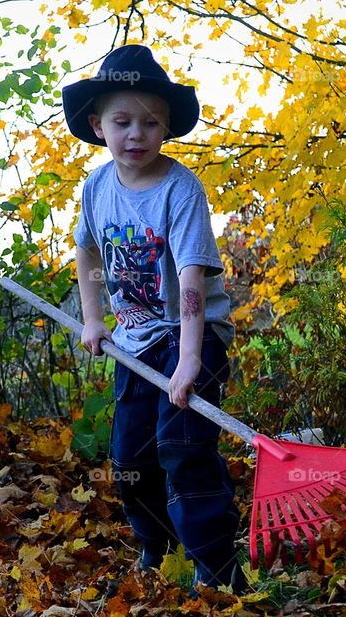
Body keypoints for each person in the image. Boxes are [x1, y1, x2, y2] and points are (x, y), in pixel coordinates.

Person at [63, 44, 243, 593]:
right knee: (130, 458)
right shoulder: (95, 190)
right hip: (134, 341)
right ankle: (158, 549)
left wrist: (190, 361)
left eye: (150, 122)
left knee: (183, 449)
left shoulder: (180, 189)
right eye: (122, 122)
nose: (135, 134)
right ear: (98, 125)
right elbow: (88, 254)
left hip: (194, 336)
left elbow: (191, 276)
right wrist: (95, 320)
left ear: (166, 129)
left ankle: (216, 566)